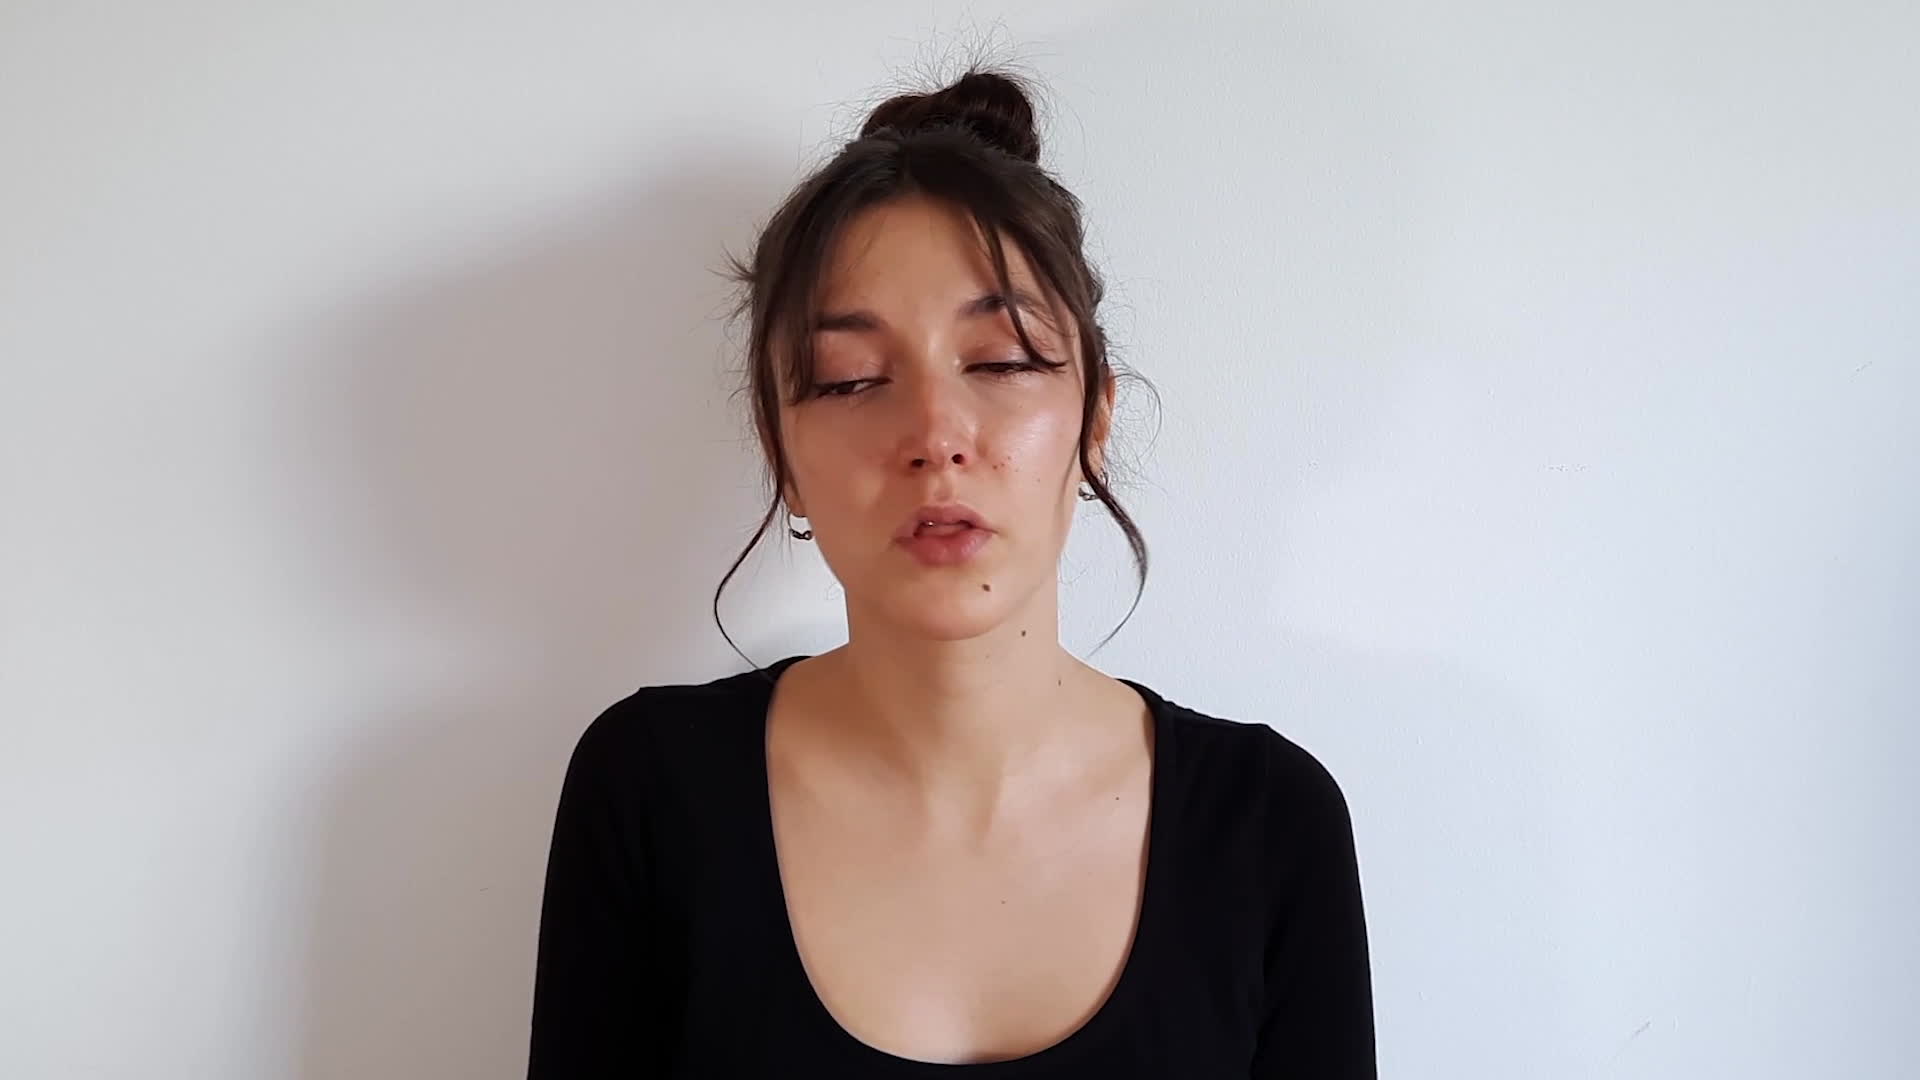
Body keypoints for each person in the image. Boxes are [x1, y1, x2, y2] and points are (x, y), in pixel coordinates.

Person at [526, 65, 1375, 1077]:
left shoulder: (1270, 823)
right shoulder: (650, 793)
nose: (935, 435)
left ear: (1095, 420)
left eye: (1003, 361)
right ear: (780, 450)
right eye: (851, 380)